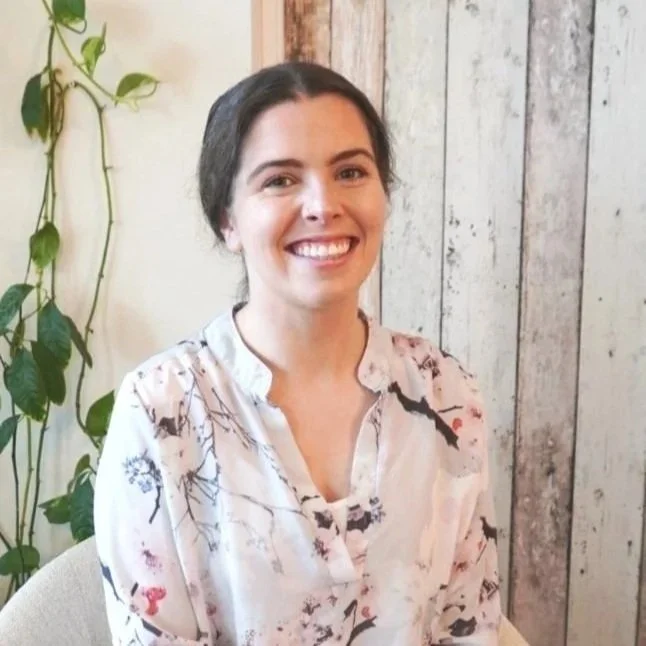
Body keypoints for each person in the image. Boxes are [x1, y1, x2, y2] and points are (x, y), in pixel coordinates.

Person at [94, 61, 501, 646]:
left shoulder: (446, 393)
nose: (322, 204)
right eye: (280, 180)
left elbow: (469, 621)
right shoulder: (160, 412)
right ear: (228, 221)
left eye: (350, 172)